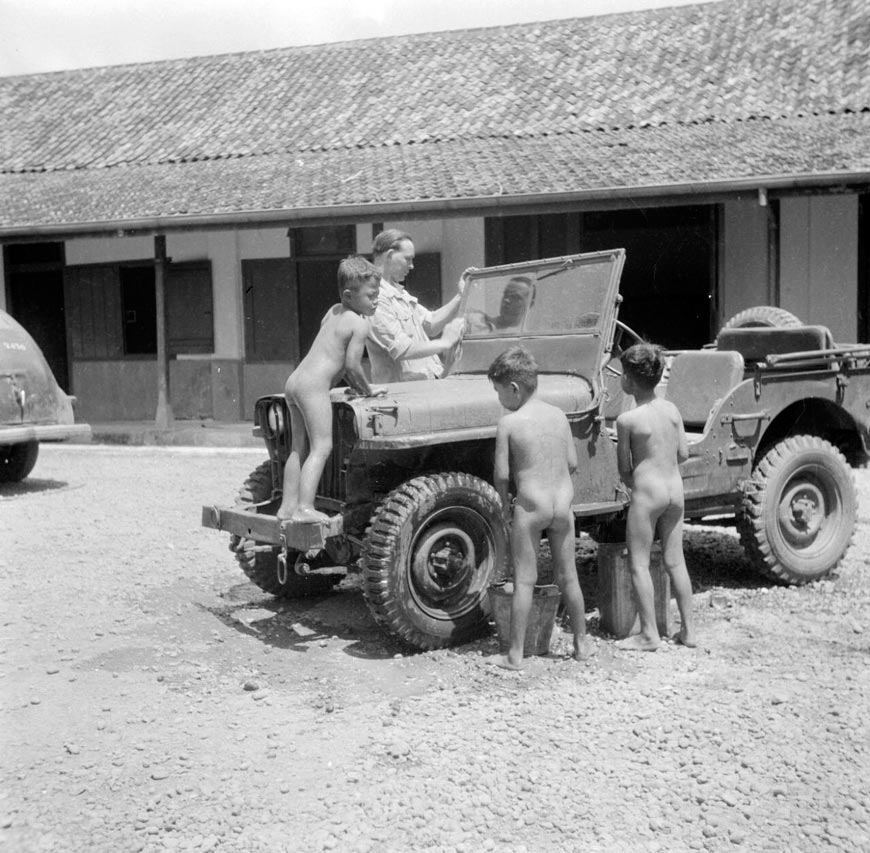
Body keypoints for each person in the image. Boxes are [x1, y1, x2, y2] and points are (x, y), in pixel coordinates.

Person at [488, 345, 590, 669]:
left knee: (525, 581)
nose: (499, 399)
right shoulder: (559, 416)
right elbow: (573, 463)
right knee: (568, 577)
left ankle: (515, 654)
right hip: (563, 506)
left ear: (514, 389)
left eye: (498, 391)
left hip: (531, 507)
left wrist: (505, 508)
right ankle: (582, 644)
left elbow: (502, 476)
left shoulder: (509, 423)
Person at [277, 256, 386, 524]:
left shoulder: (334, 311)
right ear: (349, 295)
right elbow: (351, 366)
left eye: (378, 295)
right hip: (313, 386)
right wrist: (368, 391)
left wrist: (353, 387)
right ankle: (304, 508)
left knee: (297, 448)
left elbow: (330, 352)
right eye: (371, 296)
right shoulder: (359, 323)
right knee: (322, 447)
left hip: (295, 381)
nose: (376, 301)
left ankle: (287, 507)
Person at [615, 343, 697, 650]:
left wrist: (635, 481)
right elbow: (684, 453)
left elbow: (625, 468)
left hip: (648, 494)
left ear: (629, 381)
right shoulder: (672, 410)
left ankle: (649, 634)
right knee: (676, 560)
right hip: (675, 491)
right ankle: (688, 631)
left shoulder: (628, 420)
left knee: (638, 563)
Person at [366, 229, 469, 383]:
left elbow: (432, 324)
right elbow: (402, 349)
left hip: (424, 388)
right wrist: (445, 343)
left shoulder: (399, 293)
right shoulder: (376, 298)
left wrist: (460, 295)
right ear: (389, 256)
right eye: (407, 259)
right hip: (403, 397)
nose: (412, 266)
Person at [468, 276, 535, 333]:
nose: (506, 300)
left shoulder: (527, 340)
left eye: (515, 297)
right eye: (506, 294)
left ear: (530, 304)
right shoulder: (476, 321)